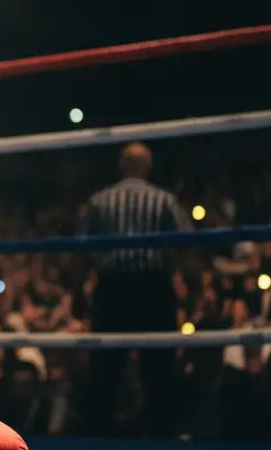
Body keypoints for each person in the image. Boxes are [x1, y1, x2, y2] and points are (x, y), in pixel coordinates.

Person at [79, 142, 189, 437]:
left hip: (113, 285)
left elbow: (82, 242)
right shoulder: (164, 200)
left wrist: (103, 264)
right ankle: (162, 436)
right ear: (148, 166)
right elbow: (186, 239)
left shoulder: (100, 200)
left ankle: (99, 437)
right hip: (153, 285)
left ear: (121, 165)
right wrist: (167, 264)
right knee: (159, 368)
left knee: (106, 367)